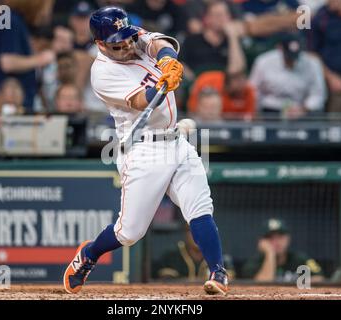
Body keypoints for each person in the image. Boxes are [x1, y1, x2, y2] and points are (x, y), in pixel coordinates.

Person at [63, 6, 229, 296]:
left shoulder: (131, 36)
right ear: (100, 44)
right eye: (117, 44)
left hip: (177, 142)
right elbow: (141, 101)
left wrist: (168, 63)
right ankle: (90, 254)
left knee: (200, 208)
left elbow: (158, 44)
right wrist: (160, 87)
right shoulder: (102, 74)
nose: (126, 46)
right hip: (143, 150)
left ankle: (218, 272)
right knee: (129, 233)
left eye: (127, 39)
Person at [0, 0, 56, 110]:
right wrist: (41, 59)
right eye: (46, 7)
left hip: (17, 105)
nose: (46, 13)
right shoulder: (9, 19)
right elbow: (7, 62)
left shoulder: (15, 19)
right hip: (6, 108)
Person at [250, 33, 326, 120]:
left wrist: (304, 108)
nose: (292, 61)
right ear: (280, 48)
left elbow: (318, 95)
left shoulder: (312, 63)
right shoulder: (263, 61)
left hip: (302, 111)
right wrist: (256, 114)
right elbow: (253, 90)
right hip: (269, 111)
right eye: (288, 56)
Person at [241, 218, 325, 283]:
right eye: (270, 238)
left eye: (280, 237)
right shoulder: (253, 263)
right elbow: (259, 286)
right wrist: (270, 254)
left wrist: (292, 286)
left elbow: (319, 278)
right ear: (262, 242)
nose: (276, 242)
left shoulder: (300, 259)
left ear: (288, 239)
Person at [180, 1, 246, 77]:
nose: (223, 19)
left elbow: (237, 70)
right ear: (207, 19)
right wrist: (193, 81)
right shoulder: (192, 41)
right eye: (218, 15)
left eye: (226, 15)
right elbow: (180, 64)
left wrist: (233, 37)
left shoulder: (232, 43)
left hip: (225, 86)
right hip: (197, 85)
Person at [153, 224, 235, 282]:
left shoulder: (219, 256)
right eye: (192, 231)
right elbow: (164, 280)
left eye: (203, 231)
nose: (197, 235)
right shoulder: (170, 257)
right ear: (185, 233)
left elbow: (230, 278)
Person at [188, 70, 256, 120]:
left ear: (220, 107)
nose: (210, 111)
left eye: (213, 107)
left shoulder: (227, 128)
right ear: (199, 107)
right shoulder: (193, 128)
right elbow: (196, 139)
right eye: (206, 107)